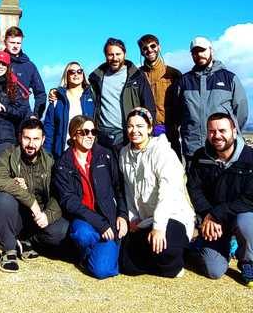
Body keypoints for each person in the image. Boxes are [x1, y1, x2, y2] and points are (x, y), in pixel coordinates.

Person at [118, 108, 195, 278]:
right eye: (130, 126)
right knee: (126, 265)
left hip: (171, 216)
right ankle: (157, 258)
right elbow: (128, 190)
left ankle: (174, 258)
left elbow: (169, 192)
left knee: (165, 252)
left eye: (140, 126)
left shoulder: (163, 152)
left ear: (149, 128)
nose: (134, 131)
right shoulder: (124, 154)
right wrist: (133, 217)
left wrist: (159, 226)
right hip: (144, 220)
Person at [0, 119, 69, 273]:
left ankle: (26, 239)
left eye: (36, 139)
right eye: (27, 138)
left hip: (36, 216)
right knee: (2, 199)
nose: (31, 144)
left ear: (43, 140)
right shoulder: (8, 155)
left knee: (62, 232)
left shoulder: (50, 162)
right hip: (16, 212)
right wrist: (28, 198)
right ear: (20, 137)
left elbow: (58, 194)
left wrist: (48, 215)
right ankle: (8, 249)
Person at [54, 115, 128, 279]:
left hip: (108, 216)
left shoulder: (105, 155)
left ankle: (97, 254)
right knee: (83, 235)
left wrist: (122, 214)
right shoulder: (62, 165)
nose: (90, 136)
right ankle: (87, 252)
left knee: (101, 272)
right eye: (85, 131)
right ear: (74, 135)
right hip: (84, 218)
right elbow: (70, 202)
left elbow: (118, 187)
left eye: (93, 132)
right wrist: (100, 226)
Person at [186, 112, 253, 285]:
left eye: (222, 130)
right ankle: (228, 246)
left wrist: (217, 213)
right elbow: (194, 189)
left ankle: (248, 262)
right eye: (212, 131)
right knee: (213, 271)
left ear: (234, 131)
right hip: (213, 221)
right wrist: (208, 214)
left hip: (240, 216)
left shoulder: (249, 158)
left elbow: (250, 199)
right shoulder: (200, 157)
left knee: (246, 223)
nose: (217, 136)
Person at [175, 37, 248, 167]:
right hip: (193, 147)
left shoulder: (229, 78)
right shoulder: (184, 81)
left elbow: (241, 111)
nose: (199, 55)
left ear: (211, 51)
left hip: (222, 148)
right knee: (195, 186)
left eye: (203, 50)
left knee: (224, 186)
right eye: (195, 52)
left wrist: (229, 134)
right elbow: (179, 112)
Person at [88, 38, 155, 156]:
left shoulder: (137, 77)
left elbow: (149, 107)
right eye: (111, 54)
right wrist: (56, 92)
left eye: (118, 54)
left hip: (127, 138)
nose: (115, 58)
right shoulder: (96, 78)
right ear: (105, 55)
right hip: (102, 138)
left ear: (125, 54)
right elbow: (77, 90)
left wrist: (148, 135)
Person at [137, 34, 182, 158]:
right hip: (147, 130)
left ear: (159, 48)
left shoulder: (173, 74)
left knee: (174, 168)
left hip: (169, 130)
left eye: (153, 46)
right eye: (145, 48)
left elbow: (182, 102)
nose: (149, 50)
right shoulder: (137, 75)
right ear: (141, 52)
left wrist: (177, 124)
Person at [43, 62, 95, 161]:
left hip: (86, 152)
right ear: (66, 76)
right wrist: (47, 155)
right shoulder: (57, 99)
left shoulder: (92, 97)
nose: (76, 74)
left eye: (80, 71)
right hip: (62, 153)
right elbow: (49, 128)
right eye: (72, 72)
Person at [3, 27, 47, 118]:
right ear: (5, 42)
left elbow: (40, 93)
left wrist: (36, 115)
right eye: (12, 42)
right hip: (2, 116)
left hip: (23, 116)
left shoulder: (29, 66)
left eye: (18, 43)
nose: (15, 46)